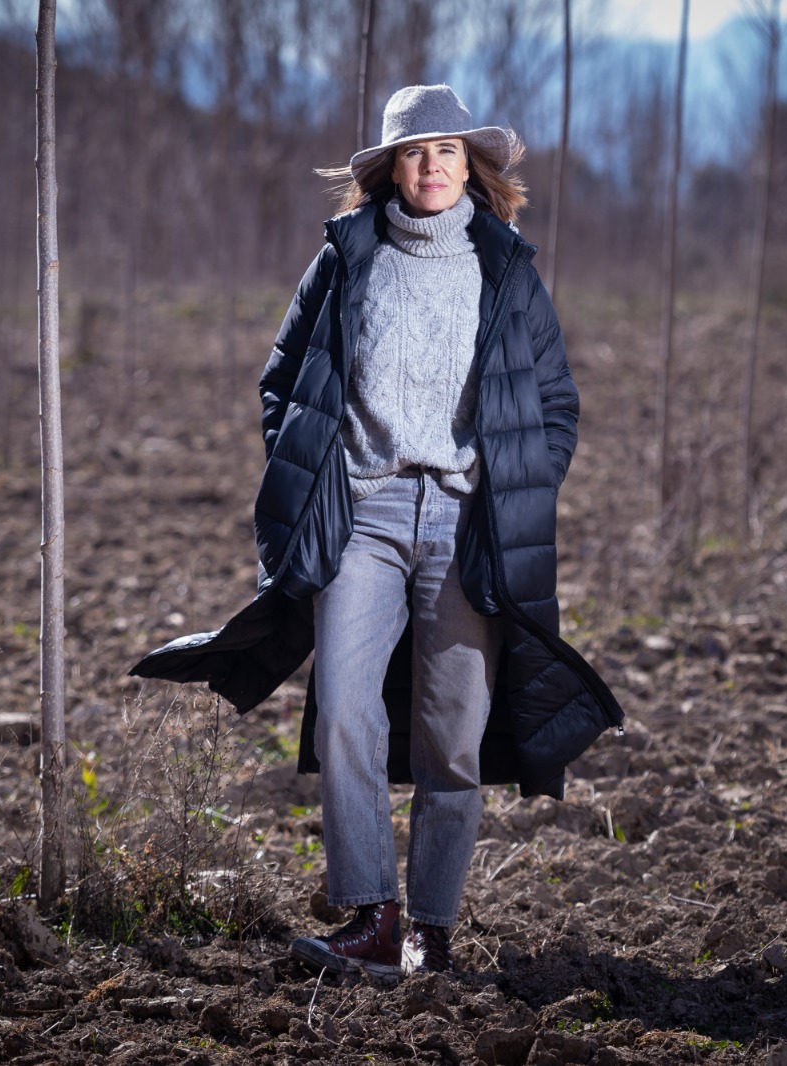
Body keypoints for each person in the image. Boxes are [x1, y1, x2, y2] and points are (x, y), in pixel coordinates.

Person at [130, 84, 623, 978]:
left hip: (466, 524)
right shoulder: (347, 257)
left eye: (446, 151)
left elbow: (555, 404)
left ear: (471, 164)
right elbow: (283, 382)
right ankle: (372, 914)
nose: (431, 168)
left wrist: (518, 486)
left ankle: (432, 928)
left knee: (452, 730)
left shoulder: (506, 268)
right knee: (346, 713)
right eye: (412, 152)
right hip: (364, 514)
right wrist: (317, 473)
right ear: (388, 169)